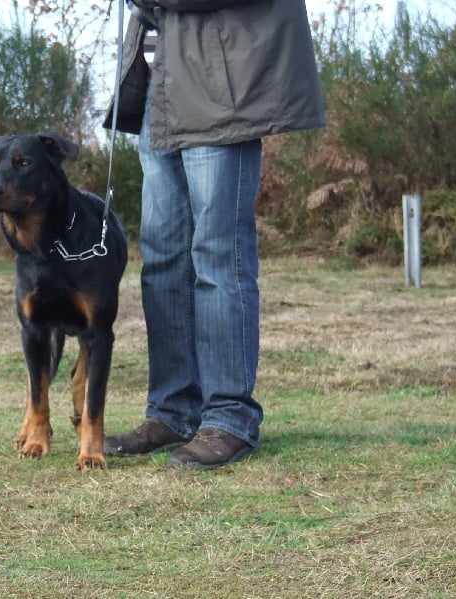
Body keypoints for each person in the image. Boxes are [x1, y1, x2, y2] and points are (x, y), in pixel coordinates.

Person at [102, 0, 325, 470]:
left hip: (220, 91)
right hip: (160, 86)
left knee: (218, 256)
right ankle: (172, 412)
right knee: (162, 259)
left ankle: (229, 418)